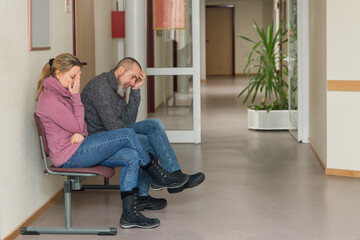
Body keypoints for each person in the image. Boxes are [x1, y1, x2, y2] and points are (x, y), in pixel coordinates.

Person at [35, 53, 188, 229]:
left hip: (79, 147)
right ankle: (158, 176)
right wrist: (76, 99)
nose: (75, 82)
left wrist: (80, 133)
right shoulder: (50, 99)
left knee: (130, 155)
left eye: (77, 77)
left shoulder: (62, 94)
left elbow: (82, 127)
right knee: (127, 135)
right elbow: (79, 125)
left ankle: (130, 215)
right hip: (68, 155)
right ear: (58, 73)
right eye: (72, 77)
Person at [81, 57, 205, 210]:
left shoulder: (119, 86)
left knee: (154, 124)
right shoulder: (100, 87)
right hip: (99, 139)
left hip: (115, 133)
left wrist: (135, 91)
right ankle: (144, 195)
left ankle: (175, 174)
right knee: (147, 142)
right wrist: (129, 128)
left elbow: (128, 120)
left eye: (136, 79)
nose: (133, 82)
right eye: (132, 77)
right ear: (120, 70)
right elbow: (114, 127)